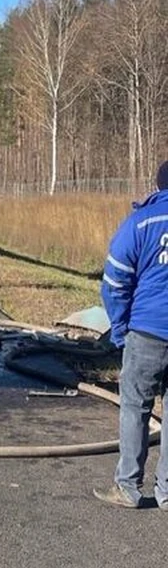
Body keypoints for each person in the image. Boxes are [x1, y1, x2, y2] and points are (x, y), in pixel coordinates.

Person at [93, 161, 168, 510]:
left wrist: (120, 330)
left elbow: (114, 284)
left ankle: (128, 487)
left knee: (135, 407)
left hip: (147, 332)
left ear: (158, 185)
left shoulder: (141, 223)